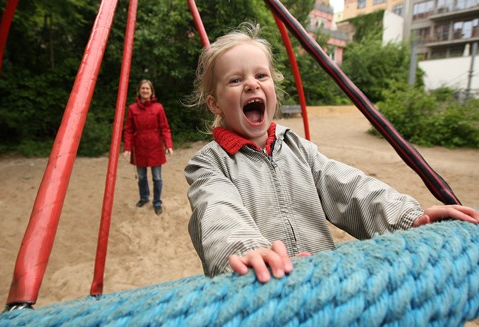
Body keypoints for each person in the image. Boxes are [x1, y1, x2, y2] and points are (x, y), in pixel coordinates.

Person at [183, 22, 478, 283]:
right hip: (261, 288)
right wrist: (248, 251)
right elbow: (217, 210)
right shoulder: (210, 165)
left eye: (261, 75)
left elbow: (352, 190)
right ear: (215, 104)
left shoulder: (297, 148)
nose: (251, 84)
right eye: (235, 80)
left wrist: (409, 218)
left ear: (274, 87)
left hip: (322, 283)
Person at [123, 79, 173, 215]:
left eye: (147, 89)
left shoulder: (158, 108)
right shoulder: (132, 109)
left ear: (151, 92)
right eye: (143, 88)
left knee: (157, 177)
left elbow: (165, 128)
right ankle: (144, 197)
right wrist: (127, 147)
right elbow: (128, 129)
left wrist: (168, 145)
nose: (145, 91)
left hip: (155, 147)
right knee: (141, 177)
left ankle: (157, 202)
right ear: (139, 91)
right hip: (139, 147)